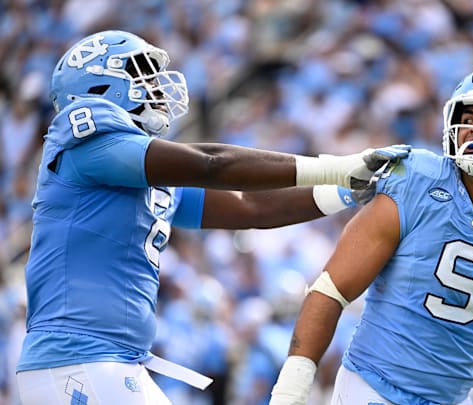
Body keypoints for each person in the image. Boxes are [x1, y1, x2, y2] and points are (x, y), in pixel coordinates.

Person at [14, 30, 410, 405]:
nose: (155, 84)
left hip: (108, 362)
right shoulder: (86, 140)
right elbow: (211, 164)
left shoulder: (143, 174)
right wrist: (334, 166)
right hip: (78, 361)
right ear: (98, 89)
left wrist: (348, 189)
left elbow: (251, 207)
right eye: (138, 72)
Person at [270, 65, 473, 405]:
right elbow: (330, 290)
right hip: (373, 388)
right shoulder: (415, 181)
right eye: (469, 116)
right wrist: (291, 390)